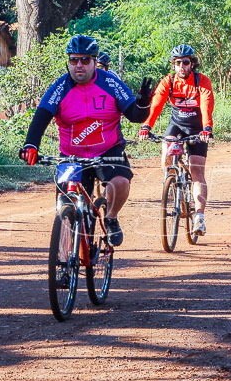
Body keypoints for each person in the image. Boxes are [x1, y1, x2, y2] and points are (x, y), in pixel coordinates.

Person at [19, 35, 152, 246]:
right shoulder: (59, 87)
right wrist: (31, 145)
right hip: (72, 155)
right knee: (66, 203)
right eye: (74, 60)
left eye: (85, 60)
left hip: (108, 150)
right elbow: (41, 117)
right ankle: (64, 257)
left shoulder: (110, 82)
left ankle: (111, 218)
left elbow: (136, 116)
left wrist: (144, 103)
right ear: (68, 62)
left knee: (120, 183)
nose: (79, 65)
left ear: (94, 61)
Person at [138, 44, 215, 235]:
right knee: (166, 155)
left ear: (192, 64)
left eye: (185, 62)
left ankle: (199, 217)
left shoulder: (202, 81)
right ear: (174, 65)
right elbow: (156, 105)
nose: (182, 66)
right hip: (177, 124)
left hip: (197, 126)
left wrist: (207, 128)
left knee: (197, 171)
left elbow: (206, 106)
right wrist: (147, 125)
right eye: (178, 63)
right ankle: (172, 186)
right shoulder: (168, 82)